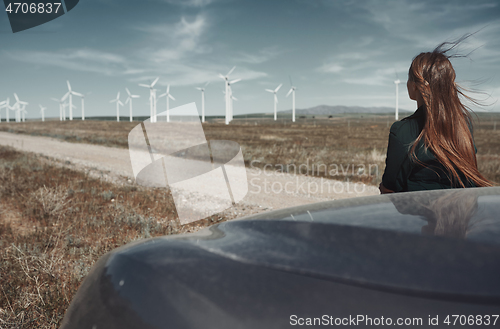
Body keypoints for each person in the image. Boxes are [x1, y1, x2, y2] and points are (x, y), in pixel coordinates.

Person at [380, 37, 493, 194]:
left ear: (415, 86)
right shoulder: (464, 123)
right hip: (465, 214)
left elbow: (388, 189)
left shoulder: (401, 131)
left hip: (417, 216)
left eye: (409, 78)